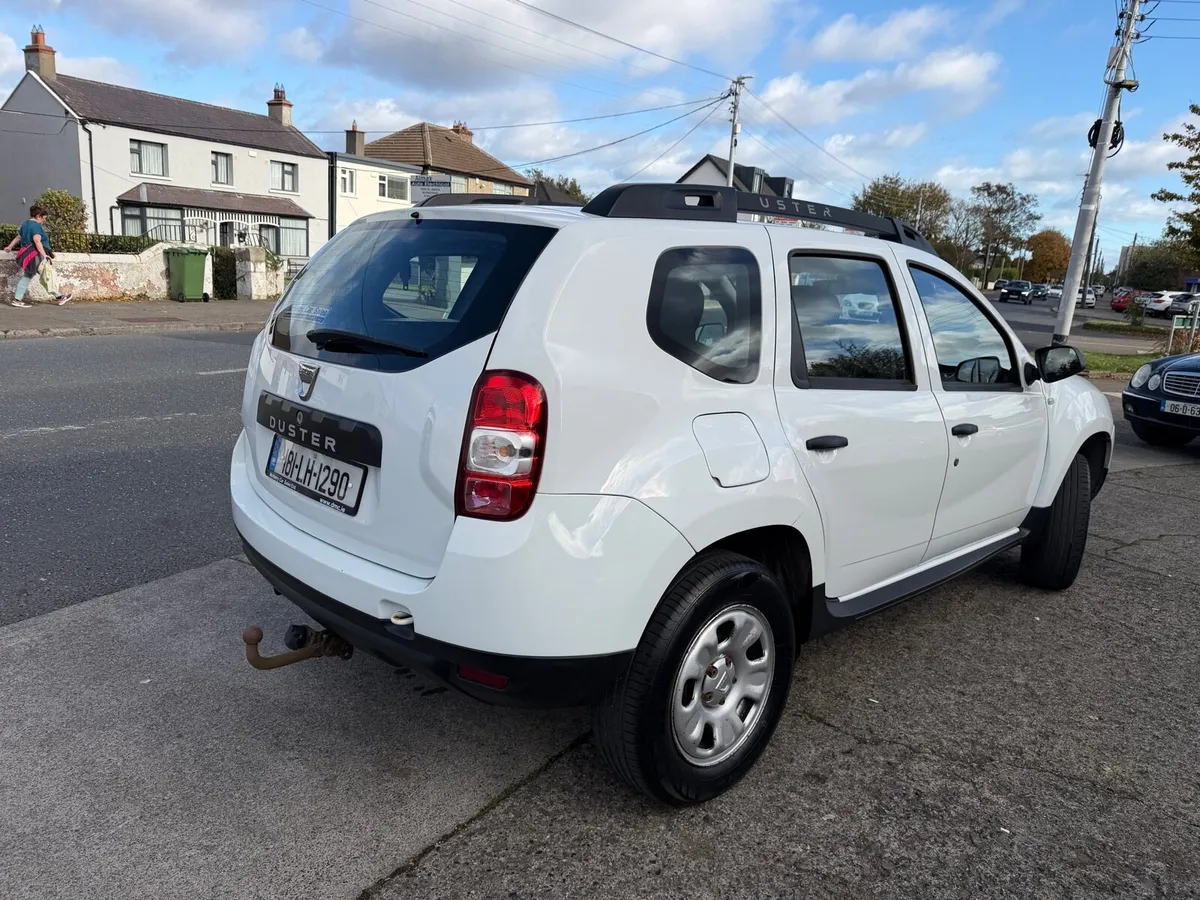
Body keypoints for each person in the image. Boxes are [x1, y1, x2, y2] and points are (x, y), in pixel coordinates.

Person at [4, 204, 72, 308]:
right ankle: (59, 297)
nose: (44, 221)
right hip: (35, 255)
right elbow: (37, 241)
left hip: (27, 255)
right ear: (38, 216)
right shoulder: (36, 226)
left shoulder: (25, 224)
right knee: (46, 276)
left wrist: (9, 247)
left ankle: (18, 300)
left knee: (29, 276)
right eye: (43, 218)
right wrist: (45, 255)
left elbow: (18, 237)